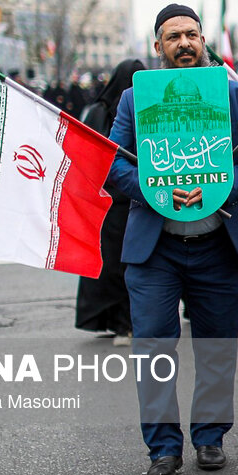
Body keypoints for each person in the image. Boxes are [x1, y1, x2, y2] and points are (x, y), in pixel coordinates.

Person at [107, 3, 238, 475]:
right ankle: (163, 449)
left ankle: (209, 437)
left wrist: (220, 187)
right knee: (154, 352)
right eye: (173, 36)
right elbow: (113, 164)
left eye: (191, 34)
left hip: (219, 247)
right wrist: (156, 190)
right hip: (155, 251)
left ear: (203, 40)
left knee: (217, 350)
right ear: (157, 46)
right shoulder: (135, 100)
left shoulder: (237, 96)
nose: (184, 43)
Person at [75, 58, 144, 345]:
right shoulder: (142, 108)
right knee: (136, 265)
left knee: (113, 266)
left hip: (109, 202)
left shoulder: (98, 112)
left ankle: (119, 322)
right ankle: (129, 322)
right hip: (138, 197)